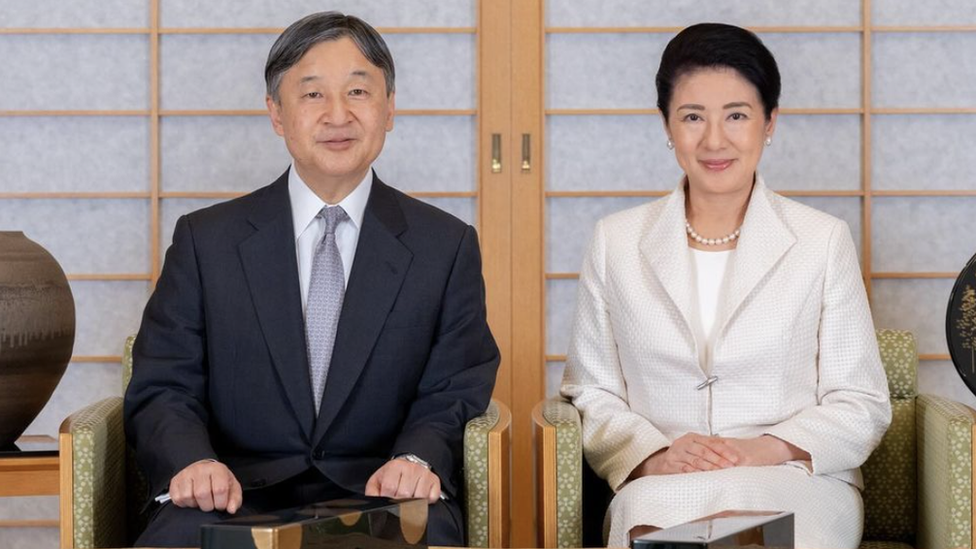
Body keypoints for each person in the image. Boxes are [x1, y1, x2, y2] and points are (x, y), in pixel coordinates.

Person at [123, 11, 499, 548]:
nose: (338, 114)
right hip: (232, 494)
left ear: (389, 108)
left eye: (358, 92)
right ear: (276, 113)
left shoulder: (445, 246)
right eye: (313, 95)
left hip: (381, 492)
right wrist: (195, 461)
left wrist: (416, 457)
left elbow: (456, 384)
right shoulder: (206, 241)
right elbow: (163, 381)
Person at [560, 23, 891, 548]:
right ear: (667, 126)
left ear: (769, 124)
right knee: (651, 527)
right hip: (666, 481)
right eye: (693, 117)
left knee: (772, 534)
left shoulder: (821, 240)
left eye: (736, 115)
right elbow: (591, 390)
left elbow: (862, 401)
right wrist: (653, 454)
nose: (714, 140)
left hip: (794, 479)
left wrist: (770, 447)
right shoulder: (615, 242)